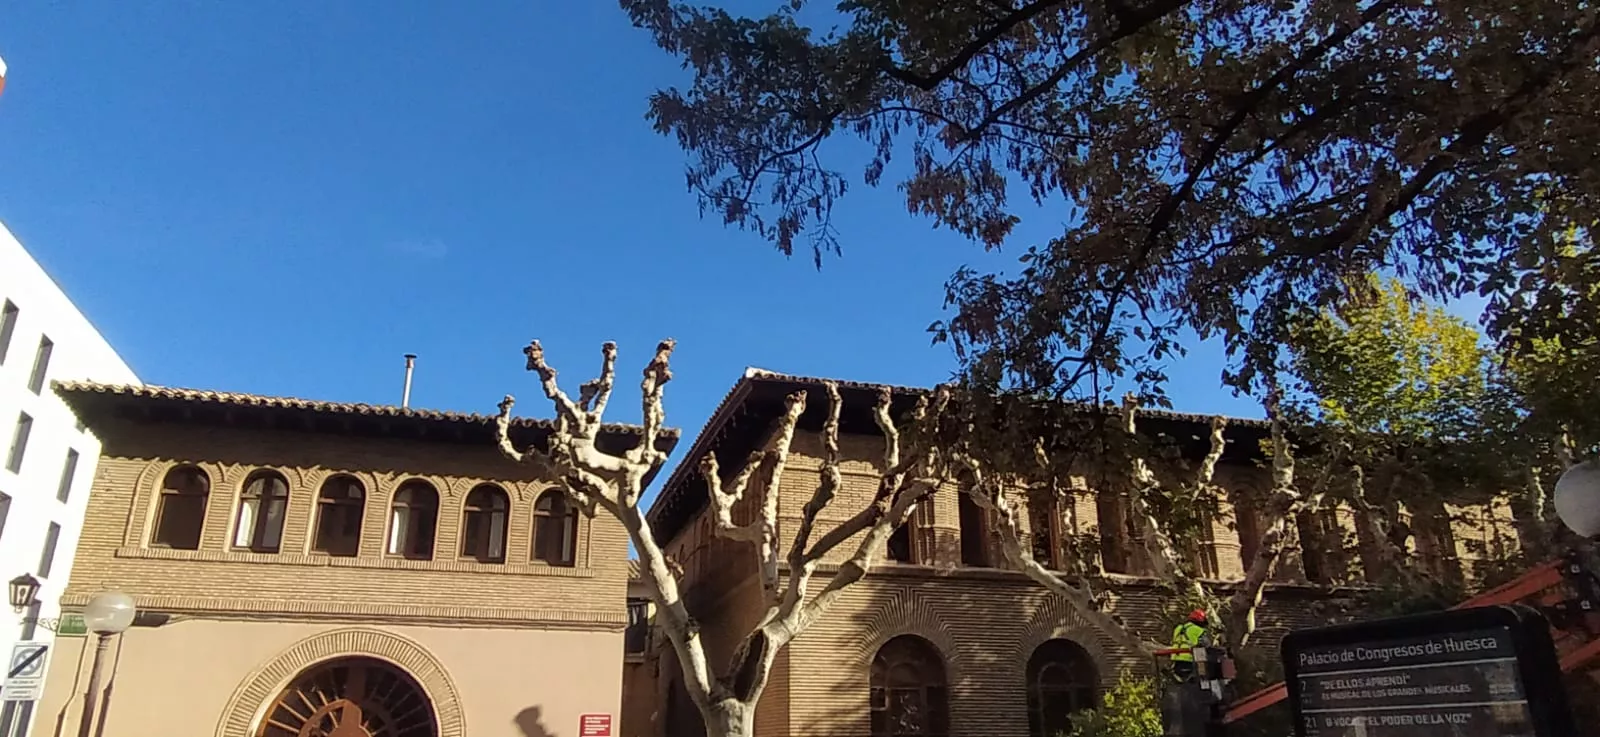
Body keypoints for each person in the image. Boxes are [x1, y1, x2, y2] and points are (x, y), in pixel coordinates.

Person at [1170, 609, 1211, 682]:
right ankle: (1203, 680)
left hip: (1176, 660)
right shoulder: (1198, 630)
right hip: (1190, 660)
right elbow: (1207, 644)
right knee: (1201, 654)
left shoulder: (1178, 628)